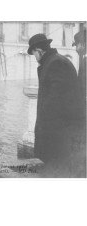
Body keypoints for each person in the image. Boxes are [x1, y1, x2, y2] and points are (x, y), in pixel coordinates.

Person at [27, 33, 85, 177]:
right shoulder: (53, 62)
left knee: (58, 169)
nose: (35, 57)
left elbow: (56, 101)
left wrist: (45, 124)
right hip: (57, 131)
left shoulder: (56, 63)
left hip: (59, 133)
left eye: (34, 53)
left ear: (39, 50)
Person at [72, 28, 86, 101]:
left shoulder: (85, 62)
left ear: (83, 45)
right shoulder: (84, 60)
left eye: (77, 46)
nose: (76, 50)